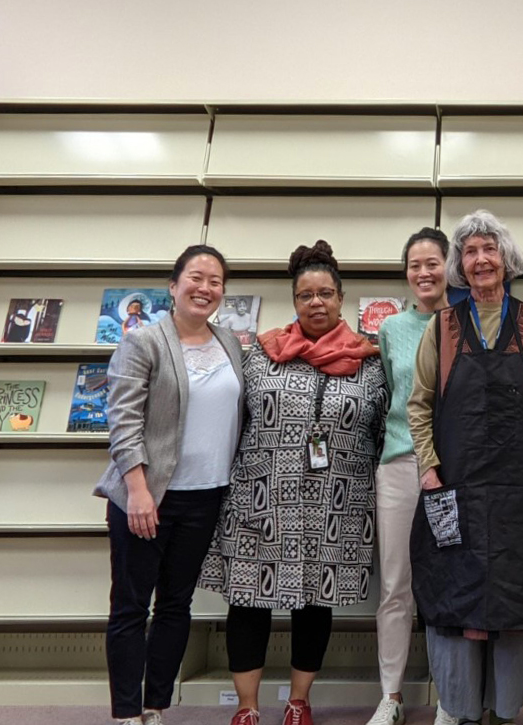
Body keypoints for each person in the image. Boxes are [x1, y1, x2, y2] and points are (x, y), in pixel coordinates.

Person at [199, 240, 389, 725]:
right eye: (306, 295)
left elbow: (386, 429)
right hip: (258, 500)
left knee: (315, 600)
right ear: (294, 301)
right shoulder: (259, 354)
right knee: (248, 598)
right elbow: (228, 418)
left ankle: (299, 701)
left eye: (326, 293)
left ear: (341, 298)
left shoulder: (371, 361)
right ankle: (246, 707)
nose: (316, 303)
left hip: (336, 502)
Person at [408, 210, 523, 725]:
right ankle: (459, 708)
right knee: (457, 598)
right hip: (455, 488)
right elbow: (420, 404)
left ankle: (505, 709)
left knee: (516, 603)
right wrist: (429, 472)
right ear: (460, 263)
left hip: (522, 494)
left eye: (489, 249)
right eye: (470, 252)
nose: (480, 260)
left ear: (506, 259)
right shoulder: (443, 326)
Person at [94, 245, 244, 725]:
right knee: (131, 606)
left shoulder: (231, 343)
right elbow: (122, 421)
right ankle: (125, 712)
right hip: (148, 498)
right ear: (173, 286)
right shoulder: (145, 341)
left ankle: (155, 706)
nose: (205, 288)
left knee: (177, 605)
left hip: (206, 496)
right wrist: (138, 490)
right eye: (196, 278)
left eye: (215, 281)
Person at [364, 227, 451, 725]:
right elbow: (385, 399)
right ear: (406, 273)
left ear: (448, 268)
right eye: (415, 265)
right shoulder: (391, 329)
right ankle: (391, 696)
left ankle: (449, 697)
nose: (424, 272)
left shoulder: (466, 323)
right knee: (396, 584)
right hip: (398, 465)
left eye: (433, 263)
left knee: (447, 583)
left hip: (453, 470)